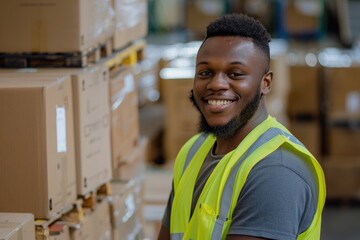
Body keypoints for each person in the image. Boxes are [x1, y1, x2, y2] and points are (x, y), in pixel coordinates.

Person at [158, 13, 326, 240]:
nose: (216, 84)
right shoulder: (192, 151)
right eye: (205, 73)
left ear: (265, 83)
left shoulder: (276, 172)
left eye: (235, 74)